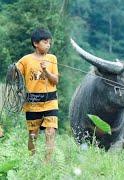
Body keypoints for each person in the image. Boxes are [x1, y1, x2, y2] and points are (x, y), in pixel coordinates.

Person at [16, 28, 59, 160]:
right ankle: (32, 160)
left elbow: (55, 80)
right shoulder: (25, 60)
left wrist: (46, 71)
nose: (48, 44)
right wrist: (13, 70)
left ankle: (47, 164)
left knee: (50, 132)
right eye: (45, 42)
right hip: (32, 103)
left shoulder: (52, 59)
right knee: (33, 135)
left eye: (49, 42)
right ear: (36, 43)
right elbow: (14, 74)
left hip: (50, 102)